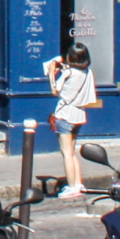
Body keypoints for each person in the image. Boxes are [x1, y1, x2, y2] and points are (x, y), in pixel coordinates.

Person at [43, 43, 100, 198]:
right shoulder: (87, 72)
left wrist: (51, 75)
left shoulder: (69, 74)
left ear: (71, 57)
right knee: (72, 151)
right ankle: (78, 182)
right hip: (79, 114)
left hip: (65, 114)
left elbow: (56, 92)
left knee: (66, 152)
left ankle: (72, 186)